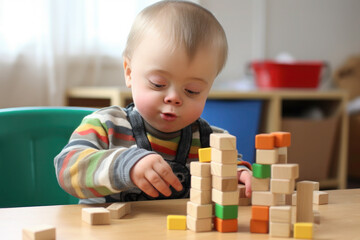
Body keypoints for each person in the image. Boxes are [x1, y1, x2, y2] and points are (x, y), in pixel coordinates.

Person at [54, 0, 252, 204]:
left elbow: (232, 166)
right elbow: (66, 169)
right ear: (129, 73)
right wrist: (126, 165)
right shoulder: (106, 126)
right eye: (158, 84)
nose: (174, 98)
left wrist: (238, 174)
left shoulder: (209, 139)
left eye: (192, 91)